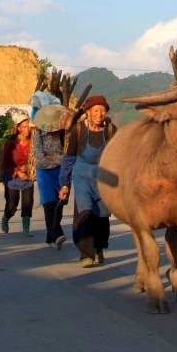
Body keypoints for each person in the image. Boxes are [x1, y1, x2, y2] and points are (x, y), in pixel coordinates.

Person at [59, 95, 117, 267]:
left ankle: (99, 247)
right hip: (82, 174)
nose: (100, 114)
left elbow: (119, 156)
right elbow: (69, 158)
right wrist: (64, 183)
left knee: (102, 215)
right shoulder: (78, 130)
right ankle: (86, 254)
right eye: (96, 110)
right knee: (85, 213)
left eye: (103, 110)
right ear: (89, 112)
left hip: (103, 175)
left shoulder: (111, 130)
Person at [33, 104, 67, 249]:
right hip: (44, 173)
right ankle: (56, 235)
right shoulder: (38, 135)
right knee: (49, 204)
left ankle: (50, 236)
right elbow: (39, 159)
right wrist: (55, 159)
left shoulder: (63, 134)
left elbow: (67, 157)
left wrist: (54, 158)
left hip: (61, 173)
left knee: (59, 206)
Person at [0, 110, 36, 236]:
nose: (27, 129)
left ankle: (26, 229)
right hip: (13, 178)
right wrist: (17, 171)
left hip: (28, 177)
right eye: (24, 127)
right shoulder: (11, 143)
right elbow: (5, 163)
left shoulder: (34, 142)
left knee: (27, 203)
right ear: (19, 128)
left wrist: (29, 167)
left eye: (28, 127)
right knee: (12, 205)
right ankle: (6, 217)